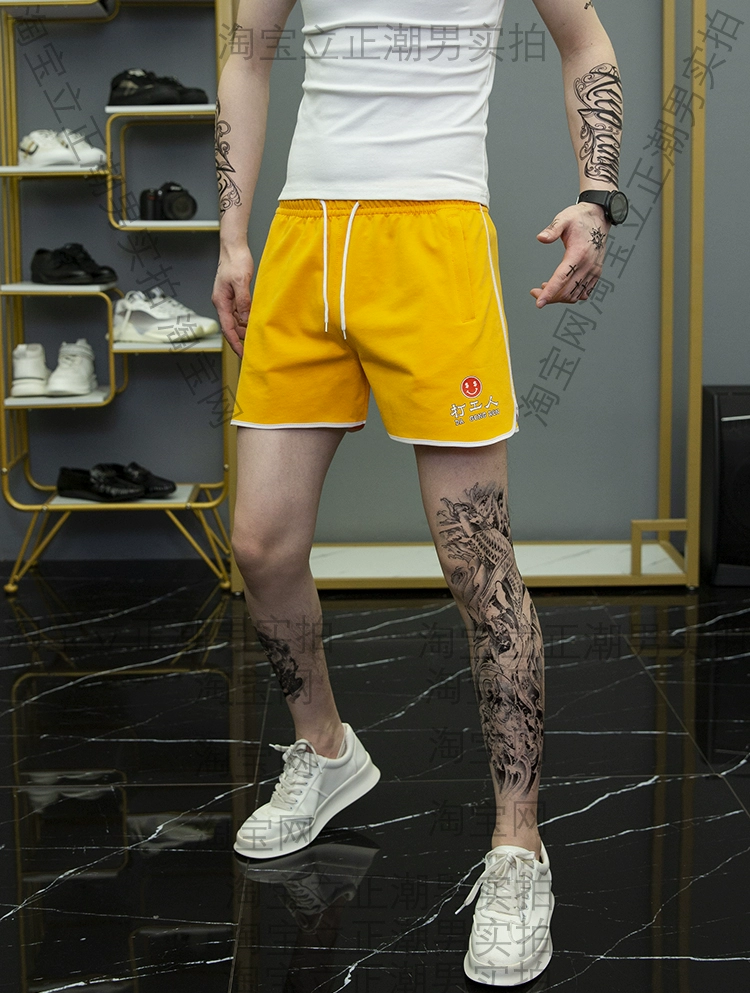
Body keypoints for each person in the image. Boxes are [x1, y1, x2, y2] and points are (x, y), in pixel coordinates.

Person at [212, 0, 625, 984]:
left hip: (434, 238)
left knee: (477, 561)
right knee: (261, 544)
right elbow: (249, 52)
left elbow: (586, 41)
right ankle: (324, 750)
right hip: (306, 238)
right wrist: (232, 234)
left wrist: (597, 196)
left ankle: (519, 847)